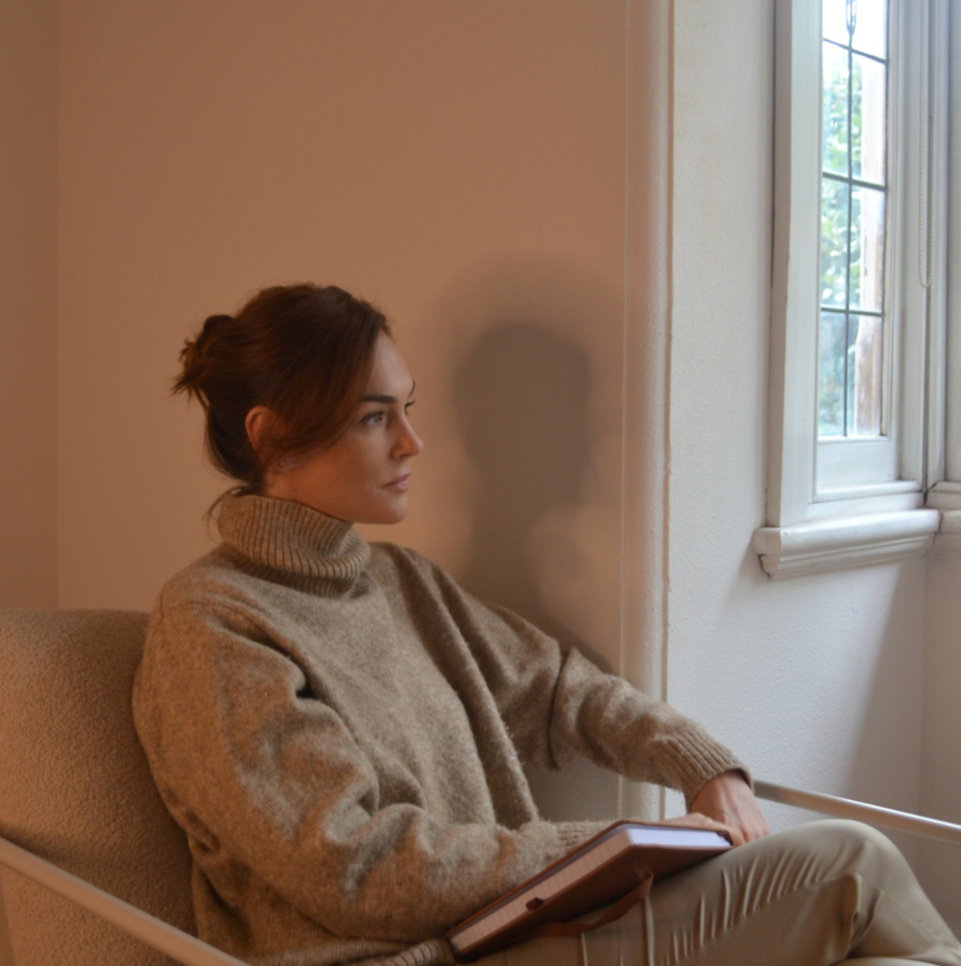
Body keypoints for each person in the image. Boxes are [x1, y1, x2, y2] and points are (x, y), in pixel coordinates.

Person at [133, 283, 961, 966]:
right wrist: (610, 845)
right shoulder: (211, 624)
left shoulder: (401, 583)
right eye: (374, 416)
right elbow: (350, 866)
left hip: (512, 931)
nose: (413, 442)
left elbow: (563, 688)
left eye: (407, 408)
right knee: (851, 861)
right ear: (271, 433)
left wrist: (703, 766)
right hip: (416, 958)